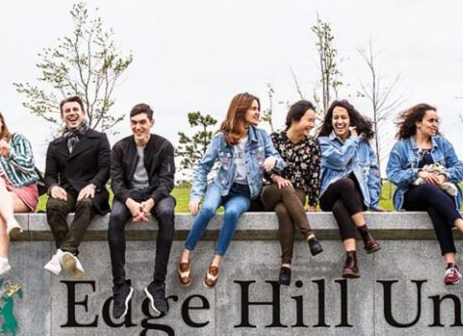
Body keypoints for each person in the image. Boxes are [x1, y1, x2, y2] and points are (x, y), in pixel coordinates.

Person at [180, 92, 283, 288]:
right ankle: (186, 252)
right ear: (241, 110)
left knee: (232, 213)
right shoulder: (221, 138)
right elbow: (203, 167)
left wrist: (274, 160)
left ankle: (216, 262)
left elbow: (279, 159)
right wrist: (195, 195)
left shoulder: (260, 136)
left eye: (258, 108)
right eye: (253, 108)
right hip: (221, 186)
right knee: (208, 209)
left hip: (244, 192)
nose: (257, 112)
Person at [386, 103, 463, 286]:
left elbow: (457, 168)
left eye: (436, 121)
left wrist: (443, 175)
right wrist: (417, 173)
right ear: (418, 123)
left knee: (434, 205)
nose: (434, 125)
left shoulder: (443, 144)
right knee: (429, 190)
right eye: (430, 120)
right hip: (412, 195)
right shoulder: (402, 146)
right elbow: (392, 173)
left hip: (439, 197)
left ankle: (451, 266)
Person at [108, 103, 177, 318]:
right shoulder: (119, 147)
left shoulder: (164, 146)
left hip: (157, 195)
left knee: (166, 213)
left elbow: (167, 181)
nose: (138, 127)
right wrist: (129, 202)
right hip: (128, 196)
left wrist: (150, 203)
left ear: (151, 123)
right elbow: (116, 182)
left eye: (142, 122)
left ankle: (158, 284)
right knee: (116, 217)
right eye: (134, 123)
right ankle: (120, 286)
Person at [43, 96, 111, 278]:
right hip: (67, 191)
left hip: (92, 190)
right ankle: (70, 253)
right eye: (67, 111)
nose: (71, 114)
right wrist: (52, 187)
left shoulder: (99, 138)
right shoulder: (55, 145)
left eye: (75, 110)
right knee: (53, 206)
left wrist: (93, 185)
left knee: (86, 204)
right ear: (62, 116)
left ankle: (60, 255)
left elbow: (106, 168)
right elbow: (49, 175)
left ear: (83, 113)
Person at [317, 99, 382, 279]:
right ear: (330, 121)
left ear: (350, 120)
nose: (339, 121)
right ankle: (366, 236)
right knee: (345, 183)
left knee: (341, 207)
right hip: (328, 194)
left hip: (354, 198)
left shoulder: (364, 145)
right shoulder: (323, 142)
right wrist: (353, 140)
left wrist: (374, 203)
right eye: (335, 117)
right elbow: (340, 160)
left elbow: (374, 173)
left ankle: (351, 260)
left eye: (343, 117)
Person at [264, 100, 324, 285]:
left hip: (297, 193)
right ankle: (309, 236)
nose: (312, 125)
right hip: (270, 189)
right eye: (309, 120)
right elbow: (262, 166)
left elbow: (315, 174)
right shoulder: (274, 139)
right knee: (285, 188)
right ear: (294, 119)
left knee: (283, 211)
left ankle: (286, 266)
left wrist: (313, 203)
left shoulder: (313, 144)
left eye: (314, 121)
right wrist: (277, 178)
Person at [0, 106, 41, 279]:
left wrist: (9, 154)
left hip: (22, 190)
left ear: (1, 121)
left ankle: (2, 260)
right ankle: (11, 220)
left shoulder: (16, 139)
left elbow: (29, 165)